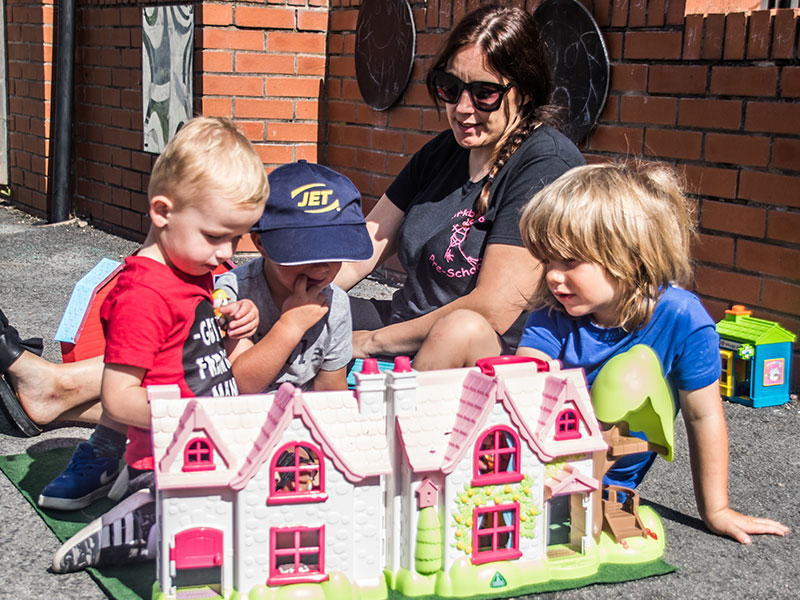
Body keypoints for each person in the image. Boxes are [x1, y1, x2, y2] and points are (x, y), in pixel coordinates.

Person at [512, 161, 789, 544]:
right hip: (542, 470)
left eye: (569, 261)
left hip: (611, 484)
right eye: (547, 261)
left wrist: (717, 510)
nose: (553, 276)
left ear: (629, 255)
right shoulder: (551, 314)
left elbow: (704, 415)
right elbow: (521, 393)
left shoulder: (682, 319)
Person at [51, 115, 270, 573]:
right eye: (215, 236)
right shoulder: (145, 296)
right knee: (220, 523)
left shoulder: (192, 269)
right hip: (173, 455)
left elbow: (190, 342)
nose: (229, 252)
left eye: (236, 237)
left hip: (210, 442)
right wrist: (190, 417)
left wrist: (237, 323)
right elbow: (119, 397)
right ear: (162, 213)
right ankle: (127, 528)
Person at [334, 5, 585, 367]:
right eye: (450, 88)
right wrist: (296, 290)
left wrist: (370, 342)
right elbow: (364, 249)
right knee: (292, 314)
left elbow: (493, 308)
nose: (462, 108)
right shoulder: (444, 150)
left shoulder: (546, 165)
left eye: (484, 93)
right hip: (406, 325)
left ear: (525, 92)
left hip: (478, 351)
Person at [216, 160, 372, 393]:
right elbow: (238, 386)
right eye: (305, 255)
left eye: (334, 254)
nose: (320, 270)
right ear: (262, 245)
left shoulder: (336, 305)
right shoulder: (235, 293)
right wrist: (290, 326)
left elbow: (330, 394)